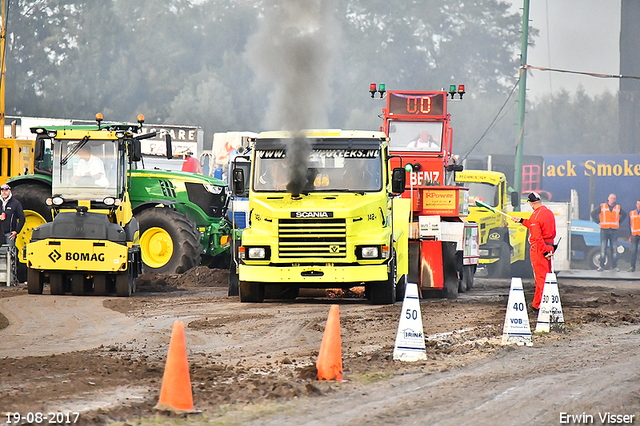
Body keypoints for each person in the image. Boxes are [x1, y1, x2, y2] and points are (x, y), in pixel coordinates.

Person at [512, 192, 556, 313]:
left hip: (539, 248)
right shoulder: (548, 213)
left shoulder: (536, 215)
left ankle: (540, 304)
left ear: (531, 203)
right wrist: (521, 220)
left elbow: (536, 235)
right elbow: (534, 225)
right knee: (546, 276)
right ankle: (541, 303)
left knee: (540, 278)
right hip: (549, 246)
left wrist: (542, 251)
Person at [590, 193, 626, 272]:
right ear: (608, 199)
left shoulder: (618, 207)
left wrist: (619, 222)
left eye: (614, 198)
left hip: (614, 230)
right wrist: (598, 222)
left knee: (614, 249)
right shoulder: (602, 206)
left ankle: (614, 267)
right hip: (604, 230)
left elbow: (624, 215)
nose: (612, 200)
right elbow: (593, 214)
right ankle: (601, 266)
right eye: (611, 198)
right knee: (603, 249)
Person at [0, 184, 25, 248]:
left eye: (6, 190)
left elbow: (22, 218)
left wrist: (17, 231)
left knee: (10, 252)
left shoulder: (15, 203)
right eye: (2, 190)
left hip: (9, 234)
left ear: (10, 191)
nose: (4, 192)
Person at [628, 199, 640, 272]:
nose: (639, 205)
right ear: (636, 205)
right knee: (633, 251)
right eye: (638, 204)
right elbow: (629, 224)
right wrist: (630, 234)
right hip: (634, 235)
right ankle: (632, 267)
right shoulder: (632, 213)